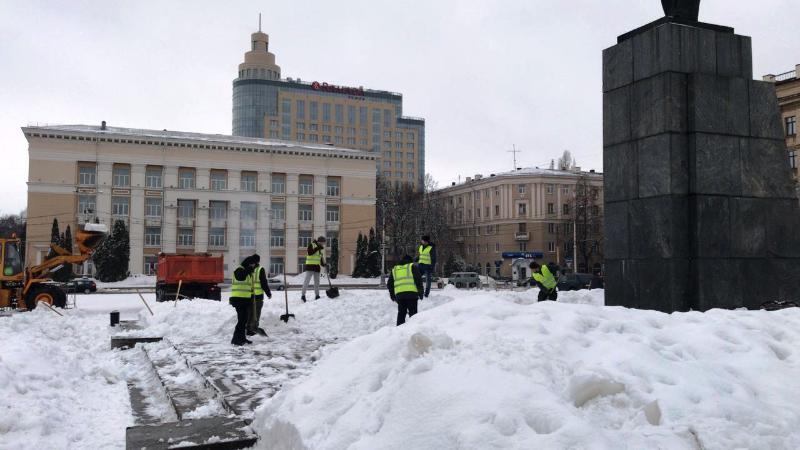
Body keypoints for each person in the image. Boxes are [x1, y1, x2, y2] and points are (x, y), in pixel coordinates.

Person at [230, 255, 259, 346]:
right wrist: (249, 269)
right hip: (238, 300)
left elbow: (247, 287)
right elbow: (240, 277)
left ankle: (242, 338)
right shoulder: (239, 269)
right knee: (242, 320)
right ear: (249, 264)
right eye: (252, 265)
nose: (253, 267)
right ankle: (235, 339)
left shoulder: (248, 272)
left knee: (244, 320)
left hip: (244, 300)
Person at [387, 255, 423, 326]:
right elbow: (418, 280)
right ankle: (413, 329)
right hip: (412, 295)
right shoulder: (412, 267)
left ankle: (399, 331)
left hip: (400, 296)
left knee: (401, 314)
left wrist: (392, 295)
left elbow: (389, 284)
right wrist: (420, 292)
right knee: (413, 315)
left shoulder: (395, 269)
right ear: (410, 261)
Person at [246, 254, 272, 337]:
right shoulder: (260, 269)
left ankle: (248, 328)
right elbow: (263, 283)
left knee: (249, 312)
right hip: (258, 295)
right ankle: (253, 328)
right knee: (256, 313)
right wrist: (268, 293)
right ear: (258, 261)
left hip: (249, 295)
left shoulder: (247, 269)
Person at [301, 236, 326, 302]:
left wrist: (324, 264)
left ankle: (317, 295)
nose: (323, 244)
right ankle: (303, 295)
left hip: (317, 267)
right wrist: (318, 248)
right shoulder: (312, 245)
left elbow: (320, 259)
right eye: (323, 243)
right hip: (310, 266)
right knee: (307, 282)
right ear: (320, 242)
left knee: (317, 283)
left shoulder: (320, 250)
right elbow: (310, 253)